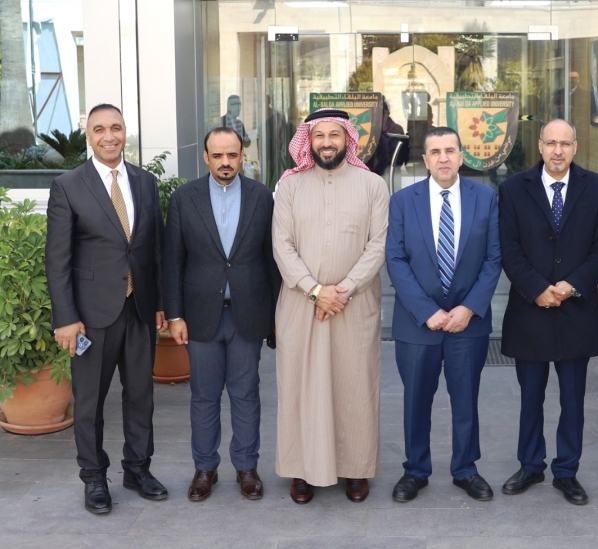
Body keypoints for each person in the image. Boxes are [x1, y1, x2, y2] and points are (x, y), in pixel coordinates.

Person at [46, 103, 169, 514]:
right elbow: (57, 260)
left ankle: (137, 469)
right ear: (89, 135)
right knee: (89, 403)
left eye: (115, 127)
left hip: (139, 310)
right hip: (90, 317)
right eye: (99, 129)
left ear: (125, 131)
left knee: (141, 397)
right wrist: (66, 318)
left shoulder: (145, 182)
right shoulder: (68, 186)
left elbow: (155, 250)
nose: (109, 136)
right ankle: (94, 477)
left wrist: (160, 304)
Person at [272, 109, 389, 504]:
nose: (326, 142)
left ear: (348, 140)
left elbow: (378, 245)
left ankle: (355, 469)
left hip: (354, 307)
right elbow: (281, 245)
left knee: (354, 387)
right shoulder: (289, 186)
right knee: (301, 388)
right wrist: (315, 291)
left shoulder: (373, 185)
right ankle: (302, 469)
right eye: (318, 135)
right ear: (308, 141)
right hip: (301, 306)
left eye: (334, 135)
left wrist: (343, 291)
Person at [163, 127, 281, 502]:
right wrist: (175, 315)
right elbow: (172, 261)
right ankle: (205, 469)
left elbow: (272, 261)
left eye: (232, 155)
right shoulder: (184, 199)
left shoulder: (263, 197)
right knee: (204, 396)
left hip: (248, 313)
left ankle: (247, 468)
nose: (225, 162)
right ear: (206, 157)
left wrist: (275, 319)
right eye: (217, 156)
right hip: (200, 316)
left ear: (242, 156)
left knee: (246, 395)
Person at [498, 119, 598, 505]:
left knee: (573, 400)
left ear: (575, 147)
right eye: (551, 143)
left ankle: (567, 471)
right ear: (540, 146)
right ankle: (530, 465)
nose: (558, 150)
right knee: (530, 397)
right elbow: (508, 247)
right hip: (530, 312)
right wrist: (537, 289)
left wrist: (571, 285)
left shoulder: (596, 188)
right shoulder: (513, 189)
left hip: (576, 309)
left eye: (565, 143)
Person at [385, 127, 502, 503]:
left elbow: (493, 258)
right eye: (435, 152)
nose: (444, 158)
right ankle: (415, 471)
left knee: (466, 400)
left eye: (450, 150)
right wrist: (428, 311)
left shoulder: (486, 197)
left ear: (462, 156)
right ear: (425, 160)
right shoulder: (403, 201)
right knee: (416, 401)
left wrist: (468, 308)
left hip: (468, 322)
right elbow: (395, 259)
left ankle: (466, 469)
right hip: (418, 324)